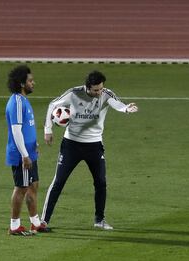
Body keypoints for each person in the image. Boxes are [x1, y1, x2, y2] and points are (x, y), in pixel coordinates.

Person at [41, 70, 138, 230]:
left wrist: (126, 109)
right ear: (88, 87)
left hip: (94, 146)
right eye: (95, 90)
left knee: (101, 182)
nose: (99, 92)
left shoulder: (106, 94)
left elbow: (117, 104)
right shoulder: (73, 94)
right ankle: (44, 221)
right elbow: (53, 104)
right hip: (71, 144)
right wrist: (48, 129)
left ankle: (99, 220)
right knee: (58, 182)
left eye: (100, 89)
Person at [5, 65, 51, 235]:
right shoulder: (16, 102)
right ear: (22, 83)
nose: (34, 83)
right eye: (30, 81)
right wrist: (25, 155)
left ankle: (35, 223)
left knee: (33, 185)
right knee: (21, 187)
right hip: (21, 155)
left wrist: (33, 145)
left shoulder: (23, 100)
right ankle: (15, 226)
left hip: (29, 152)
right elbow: (16, 130)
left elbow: (26, 128)